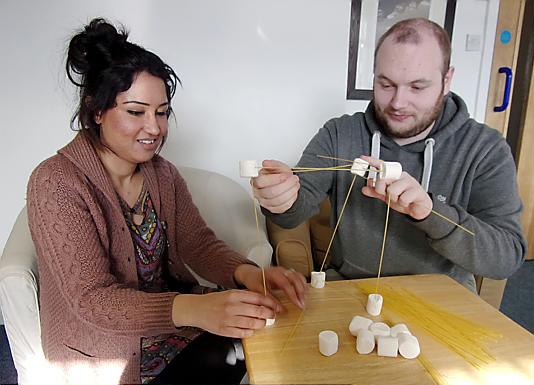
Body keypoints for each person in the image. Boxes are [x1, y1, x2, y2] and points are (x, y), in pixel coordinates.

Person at [27, 18, 307, 385]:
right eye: (135, 111)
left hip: (170, 323)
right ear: (97, 110)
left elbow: (198, 244)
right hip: (102, 347)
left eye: (161, 112)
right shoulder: (56, 183)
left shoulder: (162, 174)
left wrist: (250, 274)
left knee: (260, 340)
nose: (155, 128)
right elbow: (92, 301)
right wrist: (199, 308)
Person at [253, 18, 526, 292]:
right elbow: (292, 213)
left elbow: (506, 258)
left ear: (447, 80)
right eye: (386, 84)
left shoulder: (484, 148)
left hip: (443, 297)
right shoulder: (340, 133)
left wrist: (430, 213)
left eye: (417, 87)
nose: (398, 102)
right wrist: (280, 200)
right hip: (352, 289)